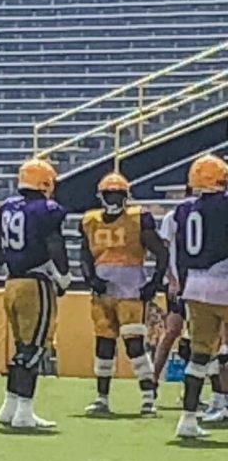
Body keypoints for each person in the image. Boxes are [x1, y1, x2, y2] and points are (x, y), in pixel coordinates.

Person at [0, 158, 70, 430]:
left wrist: (7, 261)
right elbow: (55, 243)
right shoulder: (46, 209)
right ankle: (24, 411)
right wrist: (64, 276)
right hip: (35, 283)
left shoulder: (9, 208)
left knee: (22, 348)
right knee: (33, 349)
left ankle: (9, 406)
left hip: (12, 283)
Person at [78, 172, 168, 417]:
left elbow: (161, 252)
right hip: (103, 291)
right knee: (104, 344)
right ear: (101, 196)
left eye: (117, 193)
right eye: (109, 194)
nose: (113, 198)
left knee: (135, 345)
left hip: (131, 290)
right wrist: (90, 278)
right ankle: (102, 398)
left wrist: (155, 282)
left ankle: (148, 398)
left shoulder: (138, 219)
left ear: (126, 196)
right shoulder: (90, 221)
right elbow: (85, 254)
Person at [171, 154, 228, 440]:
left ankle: (188, 418)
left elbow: (180, 252)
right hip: (224, 280)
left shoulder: (182, 210)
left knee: (199, 356)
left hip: (194, 285)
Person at [152, 190, 187, 389]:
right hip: (179, 282)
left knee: (201, 337)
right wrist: (172, 278)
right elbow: (163, 251)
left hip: (197, 281)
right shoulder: (172, 217)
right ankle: (153, 380)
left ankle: (193, 388)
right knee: (172, 330)